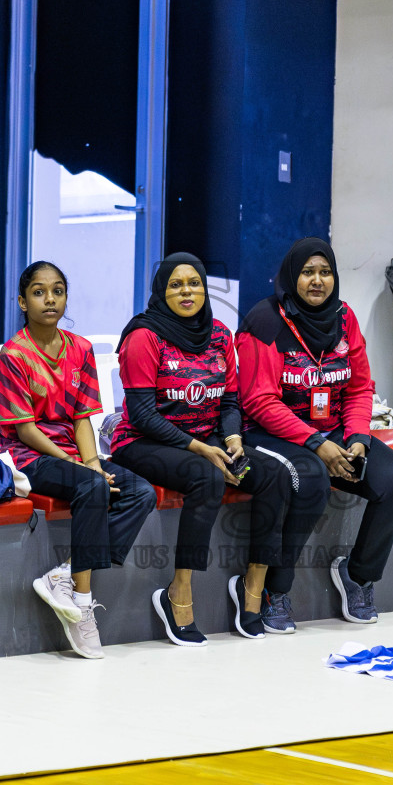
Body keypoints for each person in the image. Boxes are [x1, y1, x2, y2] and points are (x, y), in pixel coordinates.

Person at [109, 252, 294, 644]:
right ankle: (179, 588)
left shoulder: (220, 335)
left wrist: (231, 440)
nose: (187, 291)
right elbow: (141, 414)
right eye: (176, 284)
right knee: (207, 475)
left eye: (194, 283)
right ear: (162, 291)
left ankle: (253, 588)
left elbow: (229, 401)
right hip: (143, 443)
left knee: (274, 474)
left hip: (208, 439)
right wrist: (200, 448)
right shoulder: (144, 336)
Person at [237, 237, 393, 626]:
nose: (317, 281)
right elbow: (258, 401)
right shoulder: (263, 321)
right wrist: (316, 444)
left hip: (333, 432)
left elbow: (358, 388)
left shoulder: (344, 318)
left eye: (325, 272)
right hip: (271, 435)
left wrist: (356, 439)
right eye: (307, 273)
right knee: (312, 478)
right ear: (291, 276)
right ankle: (275, 588)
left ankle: (358, 575)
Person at [0, 261, 156, 657]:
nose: (50, 299)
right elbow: (26, 430)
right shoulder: (13, 355)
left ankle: (64, 573)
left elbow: (84, 416)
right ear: (22, 301)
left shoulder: (80, 348)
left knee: (141, 492)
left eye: (58, 290)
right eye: (38, 291)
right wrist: (84, 469)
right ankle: (82, 606)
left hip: (75, 454)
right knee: (93, 484)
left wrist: (93, 462)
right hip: (29, 457)